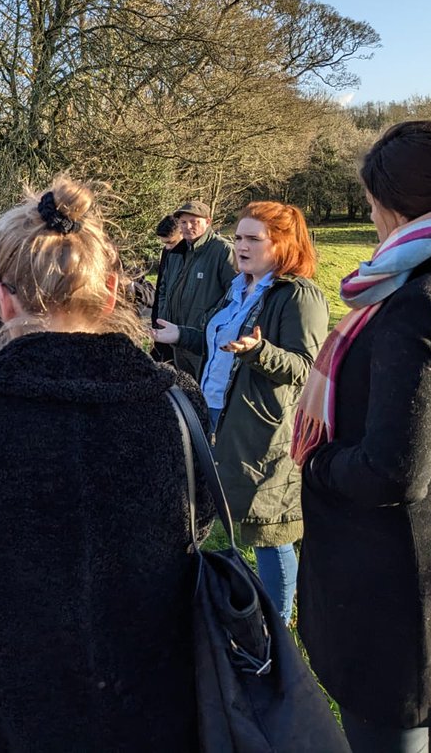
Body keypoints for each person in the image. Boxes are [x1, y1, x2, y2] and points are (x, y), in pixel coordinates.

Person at [0, 177, 212, 751]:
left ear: (3, 299)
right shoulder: (176, 402)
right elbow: (194, 526)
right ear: (109, 294)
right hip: (147, 695)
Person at [294, 121, 431, 753]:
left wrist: (318, 464)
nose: (369, 218)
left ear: (398, 205)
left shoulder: (424, 304)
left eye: (370, 204)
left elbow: (392, 472)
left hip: (397, 581)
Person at [150, 202, 328, 623]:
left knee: (269, 527)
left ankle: (278, 624)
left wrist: (260, 352)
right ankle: (217, 603)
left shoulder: (297, 295)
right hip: (213, 413)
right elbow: (219, 344)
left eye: (253, 239)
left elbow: (306, 367)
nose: (241, 246)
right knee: (207, 509)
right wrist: (181, 334)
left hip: (259, 427)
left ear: (282, 245)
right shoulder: (239, 288)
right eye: (240, 237)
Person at [160, 201, 236, 378]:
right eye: (183, 222)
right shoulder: (176, 252)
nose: (188, 227)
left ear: (208, 222)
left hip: (204, 343)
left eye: (194, 221)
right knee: (185, 392)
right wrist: (165, 315)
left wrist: (209, 322)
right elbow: (164, 288)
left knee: (204, 395)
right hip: (177, 339)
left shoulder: (222, 251)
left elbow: (235, 295)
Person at [150, 214, 184, 363]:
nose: (167, 247)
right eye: (164, 243)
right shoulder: (167, 251)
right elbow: (160, 288)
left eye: (171, 242)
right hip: (162, 320)